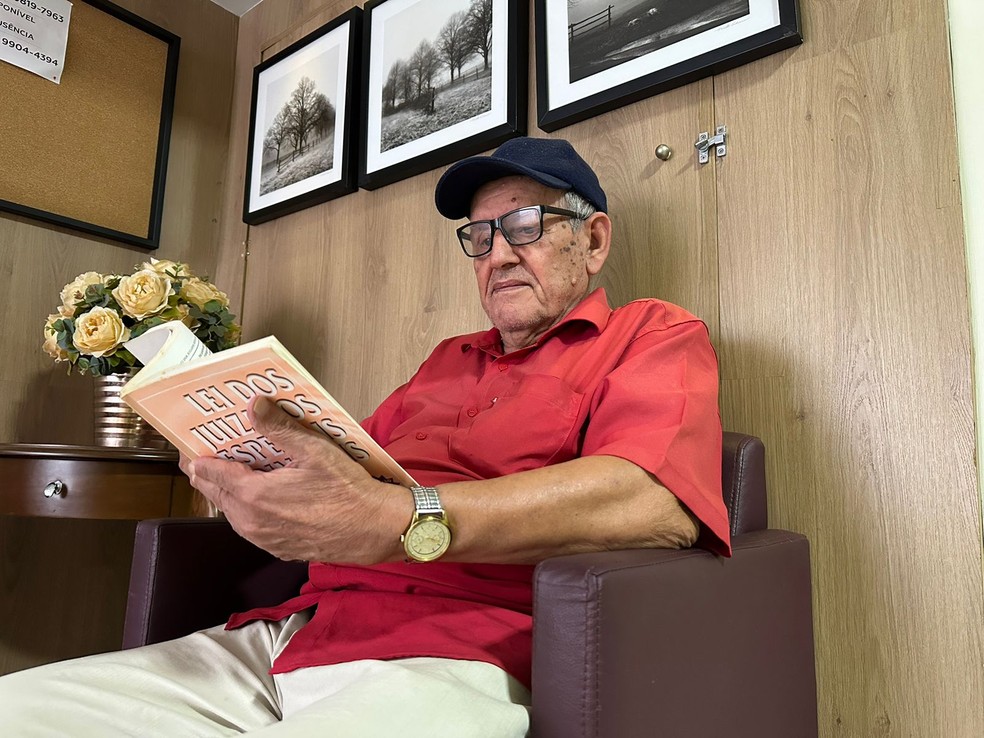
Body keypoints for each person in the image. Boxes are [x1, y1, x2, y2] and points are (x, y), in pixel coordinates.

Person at [0, 137, 729, 736]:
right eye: (479, 236)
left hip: (458, 653)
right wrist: (249, 464)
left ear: (593, 240)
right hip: (288, 636)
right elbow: (353, 474)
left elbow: (651, 503)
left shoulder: (653, 335)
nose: (498, 254)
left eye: (526, 227)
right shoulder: (445, 362)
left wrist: (399, 519)